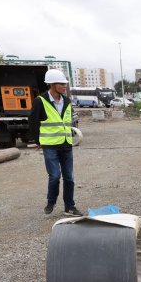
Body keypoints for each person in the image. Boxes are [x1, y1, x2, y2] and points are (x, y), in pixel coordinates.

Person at [29, 69, 82, 216]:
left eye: (65, 83)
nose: (64, 86)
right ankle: (51, 201)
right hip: (50, 145)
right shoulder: (40, 101)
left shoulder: (66, 101)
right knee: (54, 175)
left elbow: (68, 121)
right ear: (52, 84)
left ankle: (69, 206)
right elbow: (33, 122)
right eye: (61, 83)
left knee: (69, 177)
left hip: (66, 144)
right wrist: (38, 140)